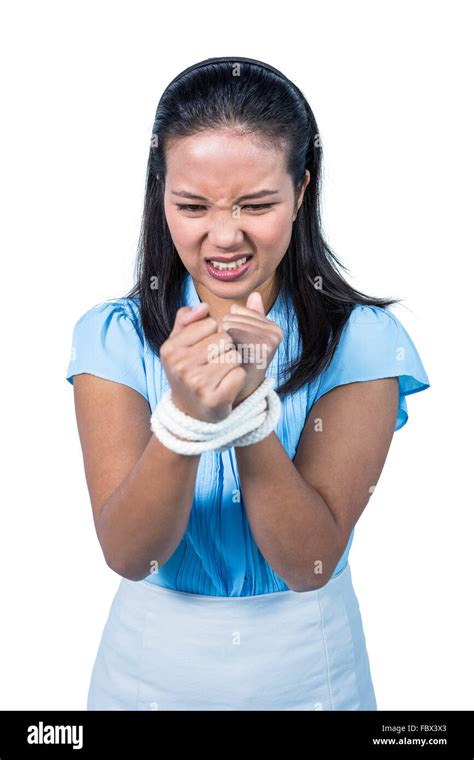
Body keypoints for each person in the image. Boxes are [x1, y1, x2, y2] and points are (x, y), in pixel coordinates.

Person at [65, 56, 430, 711]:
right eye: (192, 205)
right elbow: (129, 554)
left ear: (301, 192)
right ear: (161, 195)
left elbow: (308, 563)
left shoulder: (363, 341)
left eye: (257, 204)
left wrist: (246, 414)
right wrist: (186, 412)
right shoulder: (113, 337)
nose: (223, 236)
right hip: (146, 677)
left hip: (313, 676)